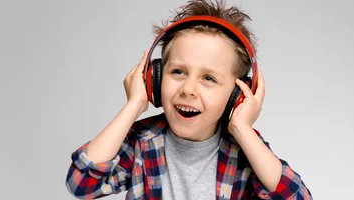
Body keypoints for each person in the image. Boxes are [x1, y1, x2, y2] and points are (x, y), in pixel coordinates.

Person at [65, 0, 312, 199]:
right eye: (178, 72)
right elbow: (81, 184)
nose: (188, 89)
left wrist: (242, 128)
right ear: (155, 79)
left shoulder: (245, 148)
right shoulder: (142, 142)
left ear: (237, 96)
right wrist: (134, 105)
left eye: (209, 78)